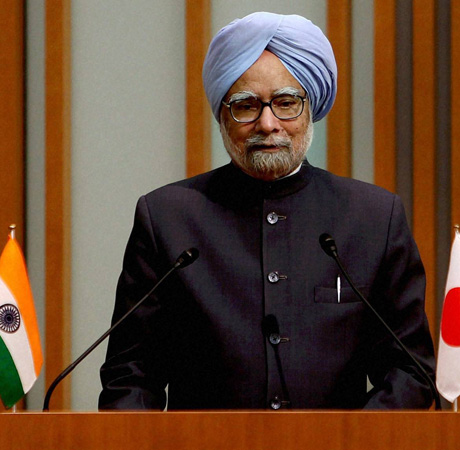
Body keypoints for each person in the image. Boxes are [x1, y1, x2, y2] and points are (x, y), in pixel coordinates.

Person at [99, 12, 436, 410]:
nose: (267, 123)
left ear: (309, 108)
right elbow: (131, 376)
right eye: (245, 106)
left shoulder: (373, 218)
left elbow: (410, 371)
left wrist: (350, 438)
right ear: (222, 115)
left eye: (285, 103)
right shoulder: (168, 219)